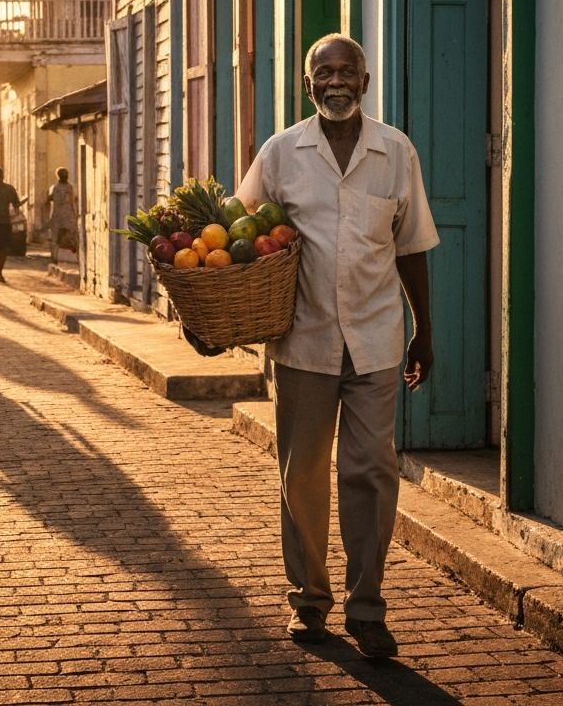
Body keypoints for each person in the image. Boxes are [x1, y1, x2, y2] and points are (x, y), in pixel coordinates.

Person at [235, 33, 438, 659]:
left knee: (372, 473)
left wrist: (422, 331)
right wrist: (215, 320)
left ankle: (367, 608)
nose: (336, 81)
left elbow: (411, 250)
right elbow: (234, 240)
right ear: (308, 84)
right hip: (302, 342)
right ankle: (309, 601)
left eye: (347, 71)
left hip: (376, 342)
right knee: (300, 477)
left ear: (366, 81)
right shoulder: (280, 154)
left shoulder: (395, 151)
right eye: (324, 72)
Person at [47, 167, 78, 265]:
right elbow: (73, 202)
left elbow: (49, 200)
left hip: (57, 216)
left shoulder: (54, 188)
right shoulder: (70, 187)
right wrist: (75, 214)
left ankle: (54, 258)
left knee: (55, 239)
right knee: (72, 236)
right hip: (67, 215)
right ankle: (75, 257)